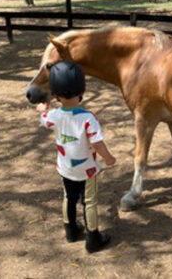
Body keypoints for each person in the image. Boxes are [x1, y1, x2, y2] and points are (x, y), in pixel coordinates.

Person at [36, 61, 116, 253]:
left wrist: (43, 109)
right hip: (87, 170)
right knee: (89, 201)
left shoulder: (54, 115)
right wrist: (109, 158)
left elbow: (44, 120)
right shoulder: (88, 118)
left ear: (55, 95)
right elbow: (97, 143)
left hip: (65, 168)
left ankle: (70, 230)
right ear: (82, 91)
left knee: (68, 197)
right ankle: (93, 238)